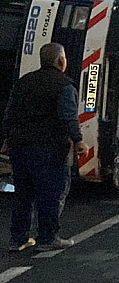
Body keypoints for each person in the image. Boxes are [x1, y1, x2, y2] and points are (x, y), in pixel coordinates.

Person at [2, 43, 89, 252]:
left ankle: (18, 239)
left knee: (24, 193)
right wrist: (78, 140)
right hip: (49, 148)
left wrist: (7, 138)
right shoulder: (64, 85)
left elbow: (9, 113)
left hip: (20, 147)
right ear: (61, 61)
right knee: (52, 192)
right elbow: (68, 116)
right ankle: (48, 237)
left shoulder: (24, 82)